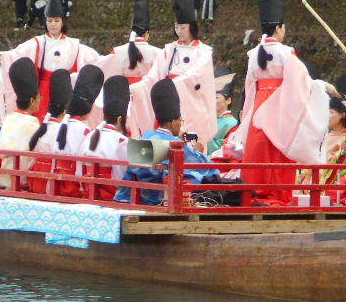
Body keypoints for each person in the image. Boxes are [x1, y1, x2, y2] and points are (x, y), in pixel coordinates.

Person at [232, 0, 334, 206]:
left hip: (259, 107)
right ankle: (276, 196)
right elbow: (301, 83)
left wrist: (247, 117)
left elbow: (249, 90)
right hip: (278, 108)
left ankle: (254, 193)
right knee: (278, 151)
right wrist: (321, 86)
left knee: (258, 151)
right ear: (278, 27)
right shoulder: (286, 53)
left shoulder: (253, 56)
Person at [0, 0, 100, 124]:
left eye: (56, 21)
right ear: (45, 22)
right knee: (40, 122)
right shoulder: (38, 42)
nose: (53, 24)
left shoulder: (74, 45)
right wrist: (1, 56)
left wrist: (107, 60)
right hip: (42, 89)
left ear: (62, 22)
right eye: (49, 21)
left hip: (64, 89)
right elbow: (17, 54)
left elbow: (93, 59)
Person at [129, 0, 216, 144]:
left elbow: (197, 75)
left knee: (190, 143)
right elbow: (153, 77)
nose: (179, 31)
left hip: (191, 105)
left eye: (183, 27)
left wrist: (174, 84)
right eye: (176, 27)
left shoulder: (203, 51)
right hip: (169, 103)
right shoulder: (169, 49)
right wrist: (137, 88)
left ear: (191, 26)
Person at [115, 78, 219, 206]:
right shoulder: (176, 145)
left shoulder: (143, 140)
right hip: (164, 203)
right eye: (180, 121)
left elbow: (130, 176)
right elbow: (207, 172)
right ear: (174, 122)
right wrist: (197, 150)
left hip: (142, 201)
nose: (181, 125)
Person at [53, 64, 104, 198]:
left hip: (57, 186)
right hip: (75, 189)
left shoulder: (61, 125)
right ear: (89, 108)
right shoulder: (85, 131)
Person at [78, 75, 131, 200]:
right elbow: (121, 180)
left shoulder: (89, 136)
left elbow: (79, 172)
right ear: (120, 119)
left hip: (87, 196)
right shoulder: (122, 142)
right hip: (110, 199)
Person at [0, 57, 41, 190]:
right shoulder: (33, 124)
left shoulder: (9, 120)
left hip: (2, 181)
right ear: (32, 100)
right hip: (21, 185)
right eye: (39, 97)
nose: (40, 100)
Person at [97, 0, 161, 85]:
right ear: (147, 34)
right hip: (149, 95)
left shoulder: (118, 52)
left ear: (131, 32)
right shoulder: (159, 53)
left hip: (124, 94)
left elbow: (100, 69)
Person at [27, 68, 72, 194]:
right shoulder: (61, 131)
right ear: (64, 112)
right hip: (51, 189)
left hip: (35, 186)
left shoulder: (41, 129)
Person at [207, 68, 238, 155]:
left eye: (216, 97)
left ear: (228, 100)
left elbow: (227, 149)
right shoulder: (208, 120)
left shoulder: (233, 124)